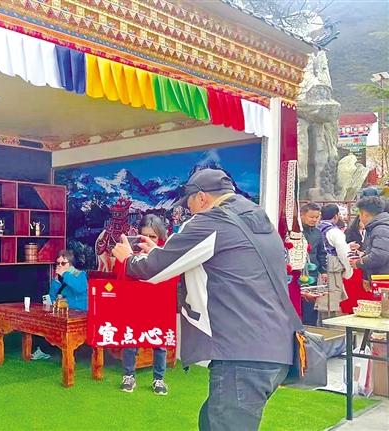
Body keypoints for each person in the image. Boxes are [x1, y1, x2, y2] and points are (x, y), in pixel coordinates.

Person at [111, 169, 295, 431]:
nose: (188, 210)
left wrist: (128, 259)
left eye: (188, 203)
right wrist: (160, 253)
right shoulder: (257, 220)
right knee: (210, 420)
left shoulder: (210, 221)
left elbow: (152, 271)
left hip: (240, 352)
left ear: (201, 198)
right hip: (276, 346)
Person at [120, 215, 169, 395]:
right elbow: (123, 276)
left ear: (160, 236)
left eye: (153, 236)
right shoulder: (131, 251)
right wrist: (129, 260)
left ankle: (159, 379)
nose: (148, 240)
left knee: (159, 342)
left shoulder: (165, 253)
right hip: (134, 302)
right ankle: (128, 376)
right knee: (130, 340)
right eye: (144, 235)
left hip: (158, 303)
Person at [31, 250, 88, 361]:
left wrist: (65, 274)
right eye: (58, 263)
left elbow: (80, 288)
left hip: (79, 311)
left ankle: (50, 350)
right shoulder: (59, 278)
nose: (60, 265)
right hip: (63, 310)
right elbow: (52, 296)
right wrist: (56, 282)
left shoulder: (79, 274)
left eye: (63, 263)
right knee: (41, 321)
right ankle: (43, 350)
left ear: (70, 264)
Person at [316, 204, 353, 320]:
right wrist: (348, 270)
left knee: (321, 298)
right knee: (330, 301)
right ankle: (329, 328)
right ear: (336, 216)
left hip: (317, 265)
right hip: (331, 266)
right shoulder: (335, 232)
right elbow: (343, 252)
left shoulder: (316, 228)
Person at [350, 196, 389, 283]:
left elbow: (379, 256)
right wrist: (365, 254)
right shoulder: (379, 226)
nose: (359, 218)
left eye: (360, 215)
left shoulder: (381, 229)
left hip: (383, 278)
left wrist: (358, 263)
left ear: (365, 214)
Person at [300, 203, 326, 325]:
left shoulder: (317, 233)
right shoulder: (294, 232)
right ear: (302, 215)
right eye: (311, 217)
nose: (314, 220)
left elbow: (321, 253)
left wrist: (324, 271)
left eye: (317, 217)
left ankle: (310, 328)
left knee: (310, 305)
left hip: (312, 274)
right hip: (295, 273)